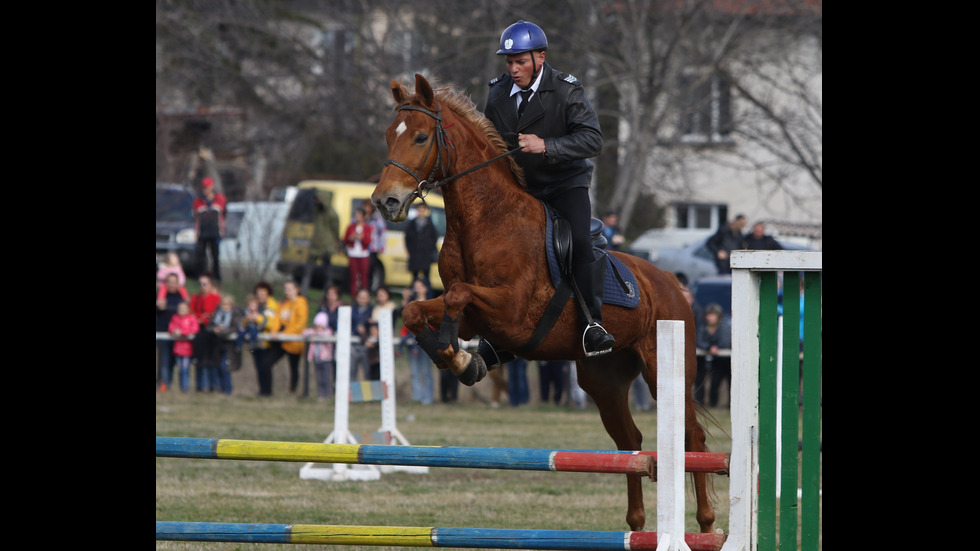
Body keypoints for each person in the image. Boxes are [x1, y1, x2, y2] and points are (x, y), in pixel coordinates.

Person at [483, 20, 614, 356]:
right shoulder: (497, 92)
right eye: (509, 62)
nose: (513, 69)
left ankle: (592, 325)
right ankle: (496, 334)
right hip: (522, 188)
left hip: (564, 183)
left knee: (581, 240)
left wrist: (547, 146)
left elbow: (593, 139)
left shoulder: (567, 89)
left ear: (540, 58)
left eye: (521, 62)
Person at [262, 280, 309, 396]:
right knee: (266, 363)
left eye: (289, 289)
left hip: (293, 342)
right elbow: (277, 319)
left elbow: (300, 324)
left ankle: (293, 392)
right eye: (285, 289)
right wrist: (274, 332)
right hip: (281, 341)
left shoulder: (301, 303)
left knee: (294, 367)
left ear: (296, 290)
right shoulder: (283, 303)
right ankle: (267, 392)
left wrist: (286, 334)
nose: (286, 291)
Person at [400, 279, 434, 405]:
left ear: (425, 288)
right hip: (411, 339)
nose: (417, 289)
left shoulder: (431, 303)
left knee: (426, 370)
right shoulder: (410, 304)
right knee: (414, 370)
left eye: (420, 286)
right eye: (415, 287)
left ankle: (428, 397)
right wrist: (405, 300)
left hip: (426, 340)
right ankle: (417, 396)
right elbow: (403, 317)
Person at [300, 189, 340, 296]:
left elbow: (335, 230)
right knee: (307, 271)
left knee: (327, 274)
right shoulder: (316, 211)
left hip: (326, 246)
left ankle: (328, 295)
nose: (317, 201)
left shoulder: (332, 214)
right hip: (315, 245)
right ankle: (303, 294)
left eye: (319, 199)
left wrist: (336, 242)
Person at [695, 303, 732, 408]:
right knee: (712, 382)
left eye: (712, 315)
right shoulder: (702, 327)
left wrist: (717, 347)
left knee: (727, 382)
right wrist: (709, 347)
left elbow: (726, 340)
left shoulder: (725, 326)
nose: (709, 317)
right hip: (709, 359)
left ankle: (729, 405)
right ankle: (712, 404)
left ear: (718, 316)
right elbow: (699, 340)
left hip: (725, 361)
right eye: (708, 315)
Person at [189, 274, 222, 392]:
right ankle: (200, 386)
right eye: (200, 284)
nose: (202, 286)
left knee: (212, 359)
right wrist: (200, 318)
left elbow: (218, 314)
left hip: (212, 332)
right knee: (200, 359)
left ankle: (213, 386)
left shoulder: (216, 298)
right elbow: (192, 313)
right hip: (200, 331)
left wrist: (208, 317)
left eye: (205, 284)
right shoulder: (195, 298)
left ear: (210, 285)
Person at [192, 177, 227, 283]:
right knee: (200, 256)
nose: (205, 190)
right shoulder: (198, 200)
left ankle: (217, 277)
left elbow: (224, 214)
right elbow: (195, 216)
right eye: (203, 187)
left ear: (212, 187)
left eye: (207, 187)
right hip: (202, 232)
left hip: (215, 232)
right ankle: (199, 276)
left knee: (215, 256)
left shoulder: (220, 198)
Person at [156, 272, 185, 392]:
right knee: (164, 360)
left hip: (178, 334)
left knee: (173, 361)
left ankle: (169, 384)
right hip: (163, 332)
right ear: (166, 283)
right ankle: (162, 384)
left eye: (174, 282)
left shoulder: (182, 297)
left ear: (178, 283)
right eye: (170, 282)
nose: (172, 284)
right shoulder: (161, 295)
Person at [207, 294, 239, 394]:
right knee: (216, 367)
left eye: (227, 304)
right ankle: (219, 389)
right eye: (223, 304)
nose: (224, 306)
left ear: (231, 305)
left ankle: (228, 390)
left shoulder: (235, 315)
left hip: (229, 345)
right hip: (217, 344)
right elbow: (209, 326)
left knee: (225, 367)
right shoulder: (216, 314)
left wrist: (224, 331)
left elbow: (235, 327)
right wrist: (214, 329)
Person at [251, 281, 279, 396]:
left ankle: (267, 392)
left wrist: (257, 318)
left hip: (267, 342)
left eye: (263, 292)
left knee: (265, 366)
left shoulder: (272, 305)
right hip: (256, 342)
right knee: (258, 367)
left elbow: (270, 323)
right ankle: (261, 390)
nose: (260, 295)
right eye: (258, 293)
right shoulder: (255, 305)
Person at [404, 202, 439, 288]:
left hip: (425, 255)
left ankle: (428, 296)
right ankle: (414, 296)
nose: (421, 212)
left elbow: (434, 238)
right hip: (415, 254)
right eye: (419, 210)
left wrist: (429, 249)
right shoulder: (412, 223)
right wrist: (410, 250)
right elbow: (407, 238)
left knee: (426, 278)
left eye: (422, 210)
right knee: (414, 278)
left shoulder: (429, 224)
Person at [168, 301, 199, 393]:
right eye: (179, 308)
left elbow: (194, 329)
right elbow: (170, 328)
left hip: (187, 350)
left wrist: (182, 331)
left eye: (183, 308)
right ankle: (181, 387)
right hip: (177, 349)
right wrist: (174, 331)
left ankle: (186, 387)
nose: (181, 310)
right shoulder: (175, 318)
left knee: (185, 369)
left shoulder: (191, 318)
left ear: (188, 309)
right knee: (180, 369)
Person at [303, 311, 335, 401]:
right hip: (317, 359)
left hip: (326, 359)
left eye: (320, 325)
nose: (318, 328)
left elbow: (325, 335)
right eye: (316, 325)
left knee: (326, 378)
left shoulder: (328, 332)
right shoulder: (313, 332)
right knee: (319, 378)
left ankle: (327, 394)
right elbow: (305, 332)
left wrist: (316, 333)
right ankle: (320, 394)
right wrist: (314, 332)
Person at [344, 207, 373, 297]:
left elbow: (368, 241)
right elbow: (345, 239)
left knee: (364, 276)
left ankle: (364, 295)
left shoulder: (368, 227)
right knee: (354, 276)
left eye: (359, 215)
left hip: (363, 254)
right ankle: (354, 295)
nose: (357, 217)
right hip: (353, 254)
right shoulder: (351, 227)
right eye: (356, 215)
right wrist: (350, 238)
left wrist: (362, 238)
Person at [349, 287, 375, 382]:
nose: (362, 299)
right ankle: (351, 394)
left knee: (368, 372)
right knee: (351, 372)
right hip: (353, 344)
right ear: (356, 298)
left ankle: (369, 395)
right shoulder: (351, 310)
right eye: (360, 297)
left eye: (365, 297)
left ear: (368, 298)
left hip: (368, 345)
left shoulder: (373, 310)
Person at [362, 201, 387, 290]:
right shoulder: (360, 218)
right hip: (361, 248)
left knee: (370, 270)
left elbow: (382, 233)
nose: (366, 209)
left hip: (372, 248)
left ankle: (369, 289)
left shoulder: (377, 219)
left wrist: (381, 247)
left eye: (368, 207)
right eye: (365, 206)